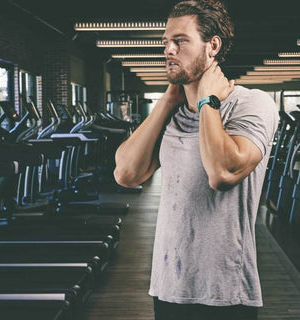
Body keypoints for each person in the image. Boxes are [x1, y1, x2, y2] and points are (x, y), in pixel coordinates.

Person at [114, 0, 279, 319]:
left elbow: (222, 172)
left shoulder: (252, 104)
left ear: (212, 45)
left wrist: (207, 100)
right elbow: (126, 173)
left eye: (180, 41)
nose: (169, 50)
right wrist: (167, 100)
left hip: (226, 292)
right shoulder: (172, 113)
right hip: (169, 287)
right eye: (165, 42)